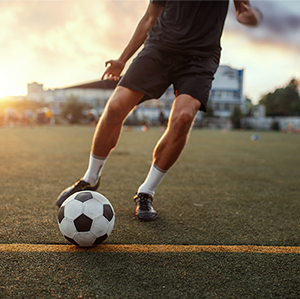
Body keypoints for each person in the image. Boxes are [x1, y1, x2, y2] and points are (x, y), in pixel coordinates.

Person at [56, 0, 261, 221]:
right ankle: (90, 177)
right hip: (159, 48)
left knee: (183, 118)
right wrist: (122, 59)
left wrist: (249, 17)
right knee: (115, 106)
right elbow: (150, 18)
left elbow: (243, 9)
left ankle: (146, 192)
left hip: (200, 58)